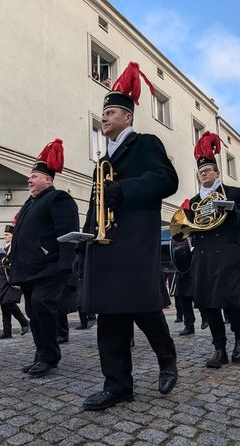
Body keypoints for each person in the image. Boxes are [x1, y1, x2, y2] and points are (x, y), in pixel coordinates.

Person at [76, 62, 179, 410]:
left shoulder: (147, 143)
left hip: (135, 241)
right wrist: (86, 238)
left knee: (144, 308)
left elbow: (167, 180)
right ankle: (118, 385)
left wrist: (124, 189)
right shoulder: (101, 160)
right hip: (105, 244)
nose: (103, 118)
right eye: (103, 113)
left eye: (110, 112)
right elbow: (96, 203)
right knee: (109, 315)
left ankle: (167, 359)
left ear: (128, 117)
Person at [10, 139, 79, 377]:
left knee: (42, 308)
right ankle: (41, 354)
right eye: (30, 176)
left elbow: (68, 234)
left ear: (47, 180)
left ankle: (49, 357)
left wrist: (66, 267)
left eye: (35, 176)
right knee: (33, 311)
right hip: (29, 270)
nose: (29, 179)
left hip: (50, 268)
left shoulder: (58, 198)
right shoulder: (30, 203)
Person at [186, 132, 240, 367]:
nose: (203, 174)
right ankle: (219, 348)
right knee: (208, 303)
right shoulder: (194, 201)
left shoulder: (233, 193)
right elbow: (191, 227)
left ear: (217, 172)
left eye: (207, 171)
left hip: (226, 254)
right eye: (200, 172)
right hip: (203, 256)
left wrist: (231, 210)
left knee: (228, 300)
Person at [0, 225, 30, 340]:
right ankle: (8, 331)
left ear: (13, 236)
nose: (5, 237)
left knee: (9, 303)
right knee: (5, 305)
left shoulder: (15, 248)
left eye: (7, 235)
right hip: (2, 280)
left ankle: (24, 323)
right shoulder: (4, 249)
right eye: (4, 235)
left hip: (11, 280)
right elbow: (0, 267)